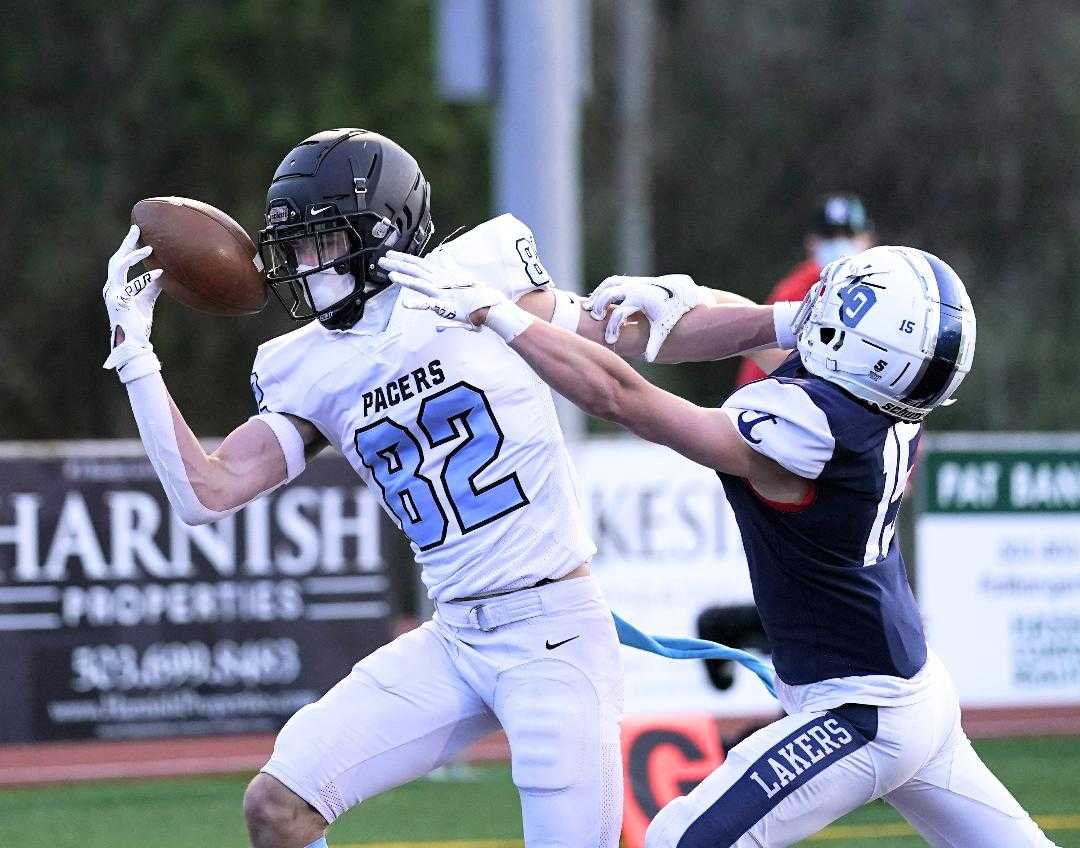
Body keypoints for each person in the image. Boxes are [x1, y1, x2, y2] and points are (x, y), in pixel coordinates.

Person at [101, 128, 774, 848]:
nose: (303, 264)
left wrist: (783, 326)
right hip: (454, 638)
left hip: (554, 631)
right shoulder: (307, 365)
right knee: (278, 806)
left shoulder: (476, 273)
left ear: (385, 230)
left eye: (323, 241)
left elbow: (635, 336)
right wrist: (135, 350)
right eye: (293, 247)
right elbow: (205, 492)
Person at [382, 247, 1058, 847]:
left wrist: (504, 319)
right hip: (913, 689)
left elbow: (624, 398)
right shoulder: (880, 394)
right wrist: (686, 297)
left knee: (682, 837)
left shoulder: (811, 427)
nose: (814, 308)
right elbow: (763, 323)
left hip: (861, 709)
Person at [734, 193, 873, 388]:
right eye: (830, 236)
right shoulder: (793, 292)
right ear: (812, 241)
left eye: (848, 235)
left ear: (867, 240)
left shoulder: (883, 288)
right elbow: (758, 364)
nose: (839, 244)